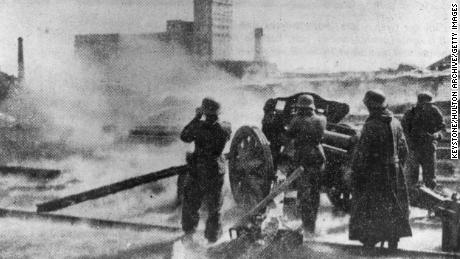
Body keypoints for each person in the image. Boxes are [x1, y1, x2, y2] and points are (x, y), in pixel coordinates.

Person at [349, 90, 412, 249]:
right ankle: (393, 238)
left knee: (372, 205)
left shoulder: (371, 125)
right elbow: (404, 150)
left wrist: (356, 172)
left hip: (375, 172)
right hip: (395, 171)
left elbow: (363, 152)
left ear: (371, 106)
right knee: (394, 204)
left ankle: (371, 239)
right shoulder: (396, 123)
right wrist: (398, 167)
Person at [180, 97, 231, 243]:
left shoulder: (198, 126)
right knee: (215, 207)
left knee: (191, 202)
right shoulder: (225, 127)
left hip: (198, 169)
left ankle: (189, 231)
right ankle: (212, 237)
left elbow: (184, 136)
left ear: (204, 112)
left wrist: (196, 117)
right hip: (216, 170)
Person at [285, 94, 327, 237]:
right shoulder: (322, 119)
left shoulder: (296, 120)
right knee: (315, 194)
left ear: (300, 108)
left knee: (304, 194)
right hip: (318, 156)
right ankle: (312, 226)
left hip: (303, 158)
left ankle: (307, 228)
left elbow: (289, 135)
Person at [401, 92, 445, 189]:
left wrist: (436, 135)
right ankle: (412, 200)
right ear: (419, 103)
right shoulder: (409, 114)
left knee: (430, 180)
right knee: (411, 180)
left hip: (429, 148)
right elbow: (403, 132)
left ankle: (430, 201)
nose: (428, 106)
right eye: (426, 104)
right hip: (414, 149)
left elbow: (442, 128)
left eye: (430, 104)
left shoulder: (434, 112)